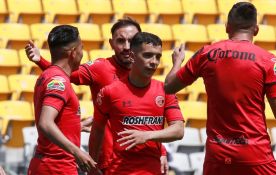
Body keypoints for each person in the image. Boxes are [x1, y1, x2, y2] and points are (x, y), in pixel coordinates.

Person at [164, 2, 276, 175]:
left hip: (217, 153)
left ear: (227, 27)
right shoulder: (267, 60)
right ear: (256, 29)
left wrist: (177, 61)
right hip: (254, 153)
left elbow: (169, 87)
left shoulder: (206, 53)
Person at [25, 18, 169, 174]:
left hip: (143, 164)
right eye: (121, 41)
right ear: (111, 43)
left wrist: (161, 151)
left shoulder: (148, 79)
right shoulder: (100, 68)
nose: (127, 47)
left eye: (132, 41)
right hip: (108, 164)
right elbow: (66, 72)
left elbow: (150, 120)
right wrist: (41, 61)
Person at [89, 32, 184, 175]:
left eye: (158, 56)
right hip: (119, 171)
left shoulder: (165, 91)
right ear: (132, 56)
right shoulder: (109, 92)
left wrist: (146, 136)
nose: (154, 62)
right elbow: (97, 131)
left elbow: (178, 130)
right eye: (148, 55)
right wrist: (92, 167)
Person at [27, 25, 96, 175]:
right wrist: (77, 152)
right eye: (81, 48)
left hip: (46, 164)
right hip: (56, 167)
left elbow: (53, 121)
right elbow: (45, 123)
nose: (82, 53)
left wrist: (76, 126)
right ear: (73, 53)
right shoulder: (59, 81)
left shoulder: (49, 75)